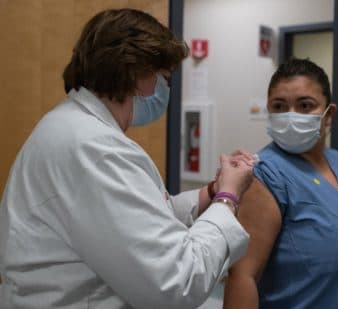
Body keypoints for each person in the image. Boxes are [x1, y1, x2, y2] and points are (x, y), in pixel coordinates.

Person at [0, 9, 256, 309]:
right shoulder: (95, 149)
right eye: (164, 77)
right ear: (137, 74)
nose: (165, 89)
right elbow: (178, 281)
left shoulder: (71, 128)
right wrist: (228, 198)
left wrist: (211, 192)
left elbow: (138, 219)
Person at [223, 58, 338, 309]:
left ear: (329, 115)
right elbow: (243, 277)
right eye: (279, 106)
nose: (291, 116)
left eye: (305, 105)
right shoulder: (265, 175)